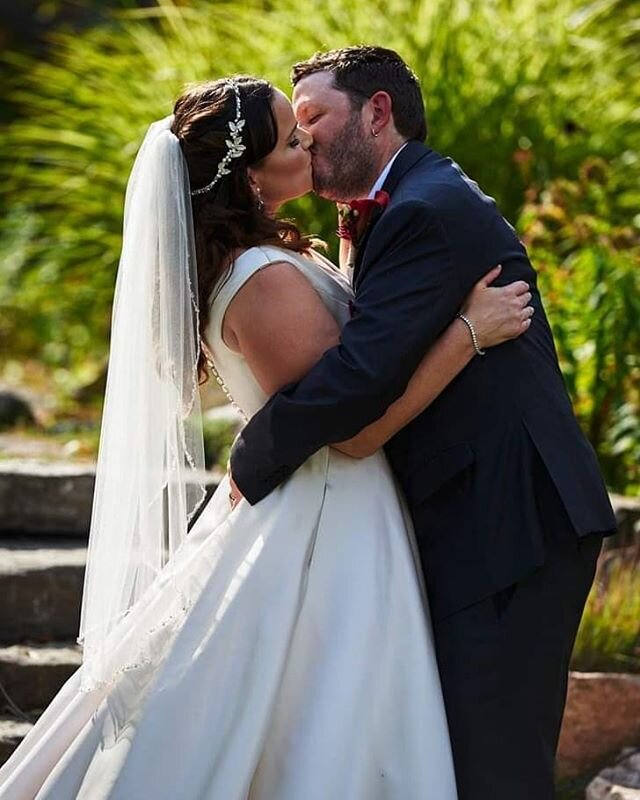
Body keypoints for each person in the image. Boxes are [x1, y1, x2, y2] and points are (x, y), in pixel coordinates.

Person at [0, 76, 529, 799]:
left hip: (317, 503)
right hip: (327, 515)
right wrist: (470, 332)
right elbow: (354, 432)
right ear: (250, 177)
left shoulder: (263, 260)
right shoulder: (263, 279)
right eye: (290, 138)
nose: (307, 141)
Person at [228, 48, 618, 800]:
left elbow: (359, 379)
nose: (303, 138)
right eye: (294, 126)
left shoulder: (426, 210)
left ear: (378, 111)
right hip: (469, 510)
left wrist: (254, 456)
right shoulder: (400, 200)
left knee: (493, 761)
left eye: (313, 117)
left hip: (508, 521)